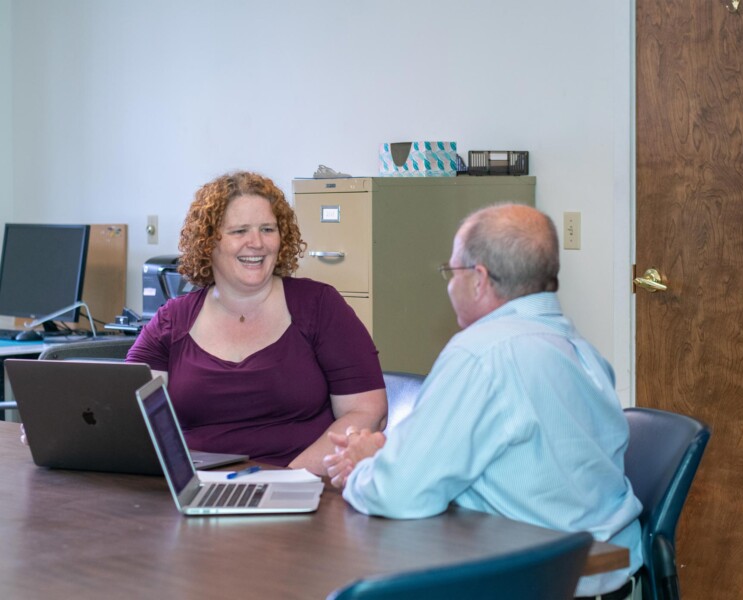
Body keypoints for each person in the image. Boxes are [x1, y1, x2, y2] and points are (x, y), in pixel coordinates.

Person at [323, 203, 643, 599]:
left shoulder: (482, 354)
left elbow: (398, 493)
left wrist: (365, 467)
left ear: (478, 279)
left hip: (536, 582)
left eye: (451, 271)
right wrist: (389, 453)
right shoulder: (579, 349)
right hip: (606, 573)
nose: (448, 285)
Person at [127, 171, 386, 475]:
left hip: (302, 488)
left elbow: (366, 411)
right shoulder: (173, 320)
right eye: (239, 231)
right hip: (200, 491)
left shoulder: (319, 306)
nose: (257, 243)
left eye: (267, 229)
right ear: (209, 241)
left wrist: (288, 478)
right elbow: (128, 412)